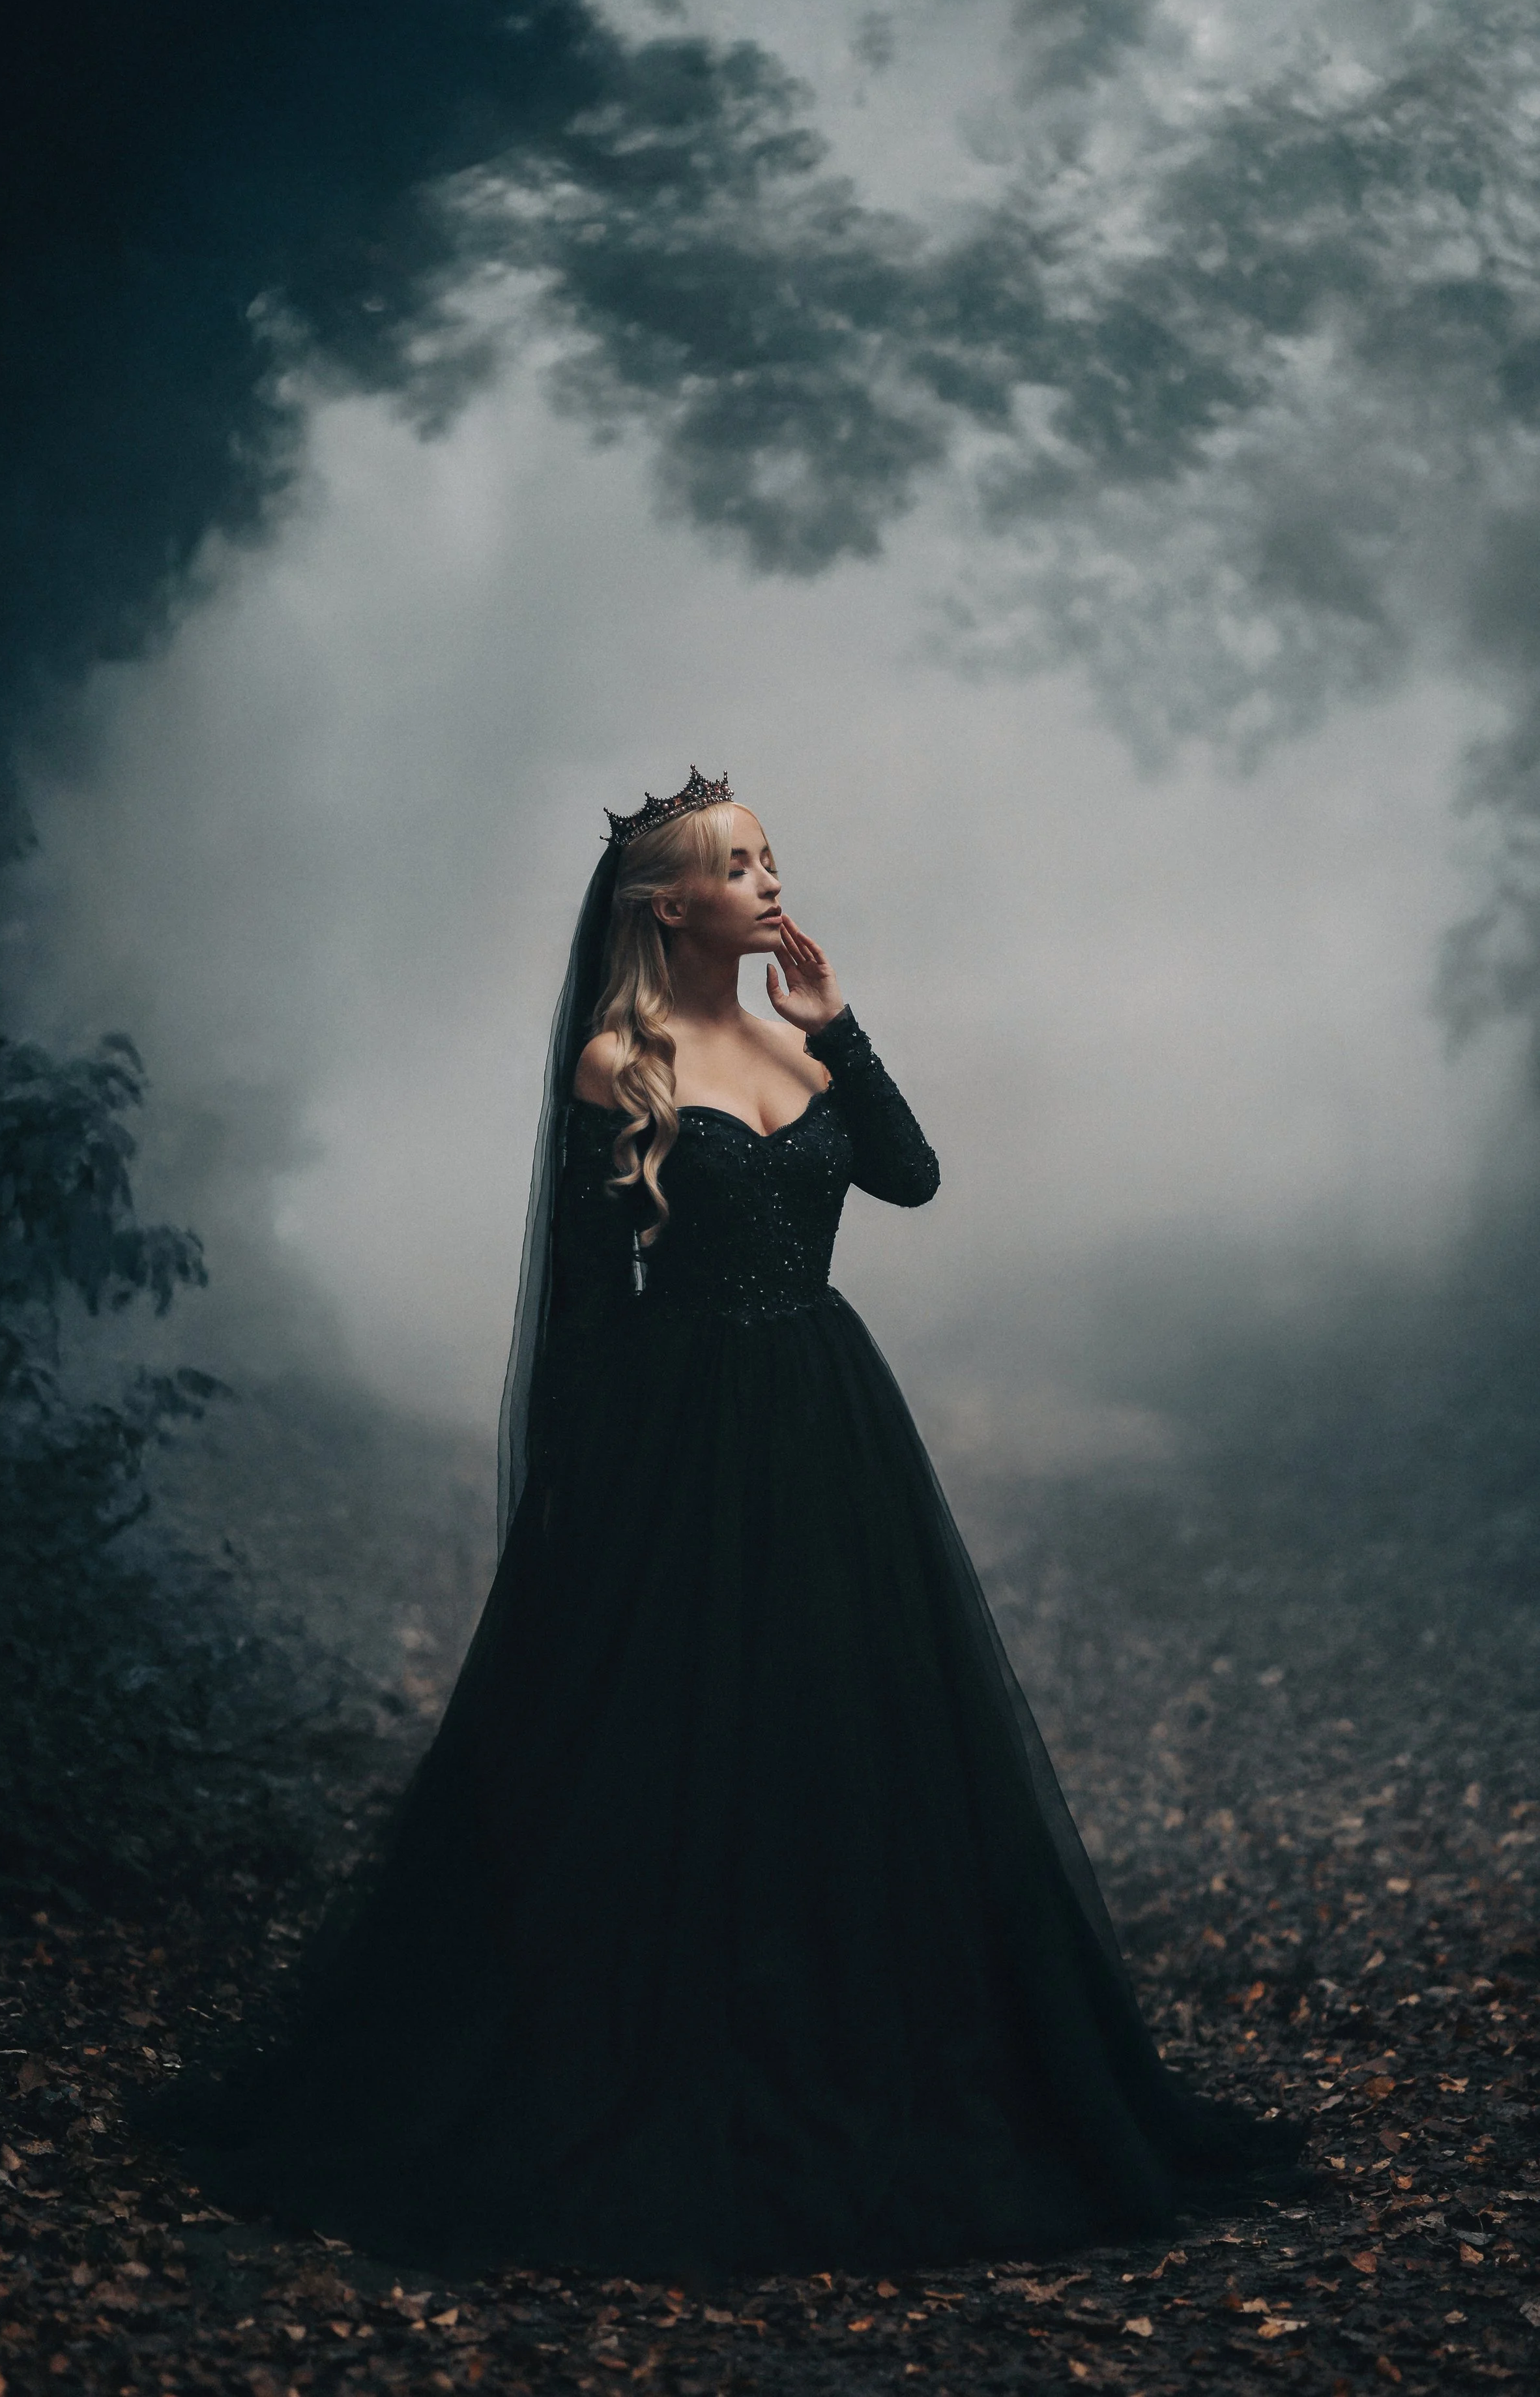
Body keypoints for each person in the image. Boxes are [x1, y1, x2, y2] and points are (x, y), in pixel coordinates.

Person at [147, 767, 1303, 2276]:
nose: (768, 881)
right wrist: (583, 1498)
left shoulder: (793, 1039)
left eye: (769, 858)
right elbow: (585, 1299)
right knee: (677, 1737)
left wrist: (840, 1025)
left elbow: (911, 1180)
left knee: (843, 1719)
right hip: (680, 1429)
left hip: (826, 1416)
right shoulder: (616, 1064)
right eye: (737, 865)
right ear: (665, 904)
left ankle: (859, 2043)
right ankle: (659, 2053)